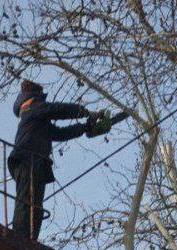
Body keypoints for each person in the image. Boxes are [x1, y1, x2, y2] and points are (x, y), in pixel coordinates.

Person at [8, 80, 108, 240]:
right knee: (26, 202)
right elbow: (58, 110)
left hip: (36, 163)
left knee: (35, 205)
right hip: (27, 159)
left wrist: (84, 127)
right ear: (34, 97)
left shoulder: (36, 117)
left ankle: (30, 239)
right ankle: (19, 238)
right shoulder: (32, 108)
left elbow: (59, 133)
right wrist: (86, 112)